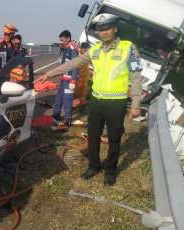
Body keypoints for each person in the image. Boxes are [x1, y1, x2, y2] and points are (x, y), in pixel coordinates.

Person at [37, 13, 143, 186]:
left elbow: (137, 77)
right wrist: (50, 73)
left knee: (114, 138)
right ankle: (93, 166)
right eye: (100, 30)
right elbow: (73, 63)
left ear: (115, 28)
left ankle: (110, 170)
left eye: (107, 28)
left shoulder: (128, 48)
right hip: (97, 101)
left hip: (117, 103)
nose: (104, 33)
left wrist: (136, 104)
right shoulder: (95, 50)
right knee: (93, 136)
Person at [52, 30, 79, 128]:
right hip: (63, 80)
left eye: (62, 40)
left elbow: (76, 65)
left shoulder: (72, 49)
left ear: (68, 39)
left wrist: (73, 80)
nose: (60, 42)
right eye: (60, 40)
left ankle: (68, 120)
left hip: (69, 81)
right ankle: (56, 115)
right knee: (58, 98)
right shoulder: (65, 49)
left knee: (67, 101)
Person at [73, 42, 91, 107]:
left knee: (84, 92)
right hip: (78, 78)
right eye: (86, 49)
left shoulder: (87, 55)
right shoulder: (76, 55)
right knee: (77, 93)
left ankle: (82, 105)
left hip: (85, 77)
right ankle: (74, 106)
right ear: (82, 49)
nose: (87, 51)